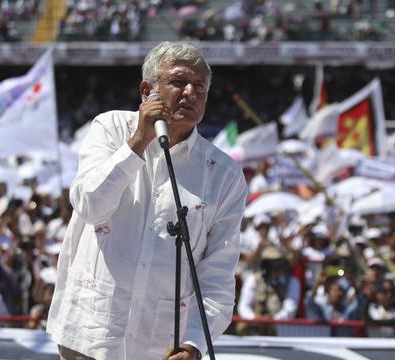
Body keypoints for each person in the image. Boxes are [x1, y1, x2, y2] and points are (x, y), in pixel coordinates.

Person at [47, 41, 248, 360]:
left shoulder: (224, 174)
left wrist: (195, 343)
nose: (190, 94)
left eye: (200, 87)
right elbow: (89, 205)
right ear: (147, 90)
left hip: (158, 347)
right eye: (179, 82)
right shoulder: (110, 129)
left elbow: (217, 275)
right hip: (90, 336)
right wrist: (137, 143)